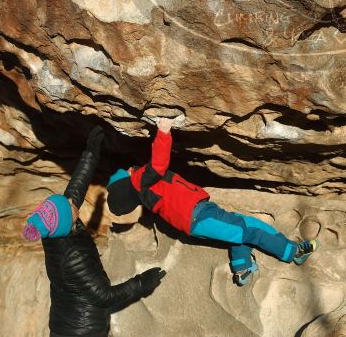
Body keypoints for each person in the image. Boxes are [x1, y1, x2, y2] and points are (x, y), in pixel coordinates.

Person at [106, 117, 318, 286]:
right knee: (251, 227)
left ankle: (242, 268)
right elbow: (158, 165)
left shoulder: (144, 192)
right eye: (127, 172)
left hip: (198, 215)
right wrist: (163, 133)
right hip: (199, 215)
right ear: (127, 181)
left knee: (238, 231)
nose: (131, 169)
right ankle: (293, 252)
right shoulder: (139, 181)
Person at [23, 127, 165, 337]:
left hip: (63, 324)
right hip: (83, 331)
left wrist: (90, 153)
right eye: (70, 205)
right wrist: (142, 283)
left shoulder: (53, 230)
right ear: (68, 223)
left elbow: (74, 191)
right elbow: (105, 297)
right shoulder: (73, 256)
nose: (72, 201)